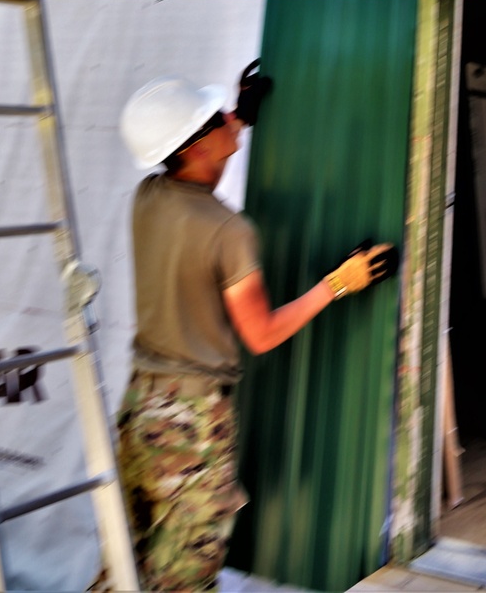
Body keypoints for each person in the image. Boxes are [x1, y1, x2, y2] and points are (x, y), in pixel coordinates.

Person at [114, 67, 397, 593]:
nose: (228, 119)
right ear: (196, 147)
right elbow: (262, 334)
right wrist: (339, 282)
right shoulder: (229, 231)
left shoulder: (148, 196)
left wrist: (239, 118)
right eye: (215, 119)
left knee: (127, 562)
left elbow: (194, 157)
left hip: (139, 412)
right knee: (183, 577)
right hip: (189, 425)